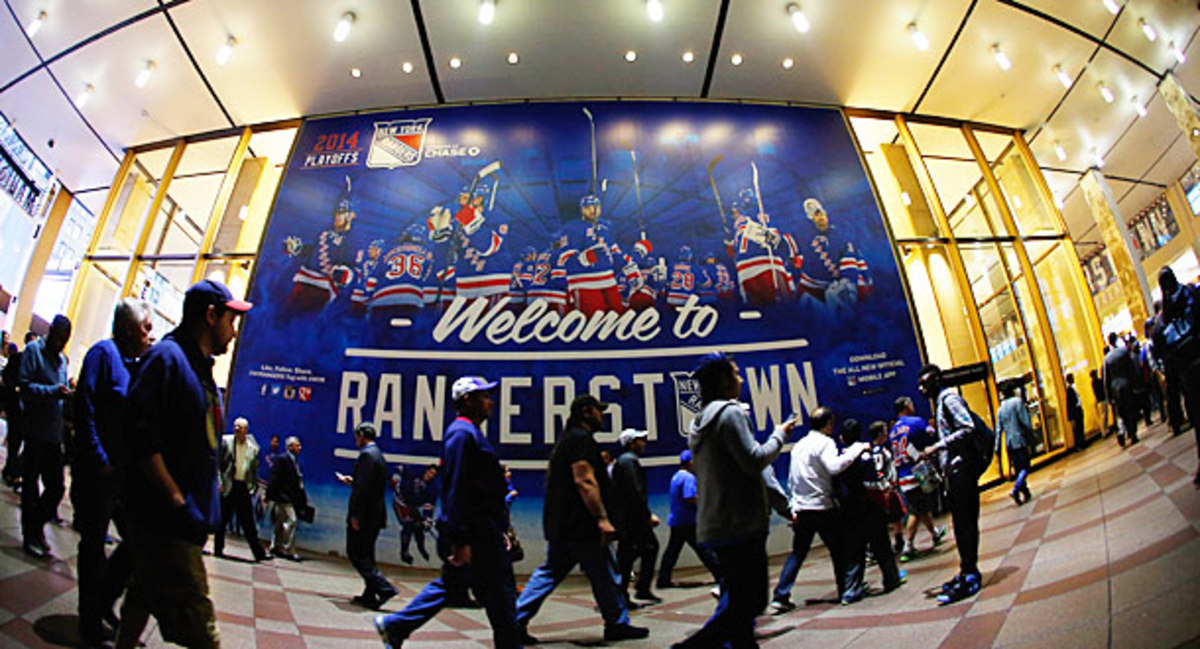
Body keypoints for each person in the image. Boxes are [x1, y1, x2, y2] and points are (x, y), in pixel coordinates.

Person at [117, 279, 251, 649]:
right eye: (230, 320)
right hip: (168, 524)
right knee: (202, 633)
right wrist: (175, 497)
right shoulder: (167, 359)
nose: (234, 332)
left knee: (141, 595)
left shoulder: (200, 368)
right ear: (211, 316)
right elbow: (139, 436)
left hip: (183, 520)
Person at [374, 376, 520, 648]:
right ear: (468, 400)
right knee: (502, 602)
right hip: (478, 536)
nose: (491, 401)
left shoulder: (467, 434)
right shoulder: (462, 435)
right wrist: (461, 540)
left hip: (483, 532)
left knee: (457, 588)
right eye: (484, 396)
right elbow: (456, 487)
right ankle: (395, 626)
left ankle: (395, 626)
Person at [671, 353, 797, 649]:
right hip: (740, 523)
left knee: (738, 605)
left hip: (715, 525)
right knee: (751, 602)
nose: (741, 379)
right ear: (724, 381)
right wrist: (779, 435)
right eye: (736, 374)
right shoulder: (730, 414)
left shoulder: (700, 420)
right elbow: (755, 461)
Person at [516, 394, 648, 645]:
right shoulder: (581, 439)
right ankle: (617, 624)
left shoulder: (566, 440)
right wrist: (601, 518)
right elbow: (584, 480)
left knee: (552, 573)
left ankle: (515, 620)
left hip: (563, 524)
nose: (603, 415)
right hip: (583, 526)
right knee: (606, 575)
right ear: (587, 412)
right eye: (599, 410)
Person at [71, 299, 153, 646]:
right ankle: (89, 619)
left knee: (135, 542)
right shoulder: (103, 354)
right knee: (93, 546)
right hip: (97, 471)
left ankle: (105, 599)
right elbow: (84, 409)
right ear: (131, 328)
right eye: (147, 328)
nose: (151, 334)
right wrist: (99, 457)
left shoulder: (135, 363)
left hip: (122, 474)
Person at [770, 406, 867, 612]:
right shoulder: (825, 443)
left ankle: (781, 595)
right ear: (828, 424)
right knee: (838, 550)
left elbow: (792, 479)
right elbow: (834, 467)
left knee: (798, 553)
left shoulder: (799, 446)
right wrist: (857, 449)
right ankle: (846, 590)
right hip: (822, 506)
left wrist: (794, 506)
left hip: (803, 508)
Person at [917, 364, 987, 605]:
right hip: (954, 472)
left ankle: (970, 574)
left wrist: (937, 446)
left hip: (962, 469)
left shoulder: (949, 399)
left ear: (937, 381)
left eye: (925, 383)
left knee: (965, 523)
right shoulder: (940, 403)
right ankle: (967, 569)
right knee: (960, 523)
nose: (921, 388)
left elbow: (968, 427)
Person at [18, 315, 72, 559]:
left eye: (65, 340)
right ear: (51, 331)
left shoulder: (62, 361)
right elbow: (25, 386)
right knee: (30, 486)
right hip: (34, 430)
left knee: (57, 487)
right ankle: (30, 535)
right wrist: (52, 392)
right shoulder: (33, 351)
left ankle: (36, 526)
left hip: (53, 434)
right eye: (59, 337)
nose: (61, 343)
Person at [838, 420, 906, 605]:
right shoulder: (866, 456)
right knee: (882, 546)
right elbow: (873, 485)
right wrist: (882, 505)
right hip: (870, 508)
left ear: (843, 438)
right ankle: (891, 579)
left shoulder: (839, 458)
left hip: (849, 509)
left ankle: (851, 590)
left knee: (854, 551)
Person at [340, 422, 398, 609]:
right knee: (367, 555)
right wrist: (354, 482)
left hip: (365, 516)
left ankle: (384, 588)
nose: (355, 439)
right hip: (375, 515)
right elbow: (368, 485)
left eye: (357, 436)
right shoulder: (378, 455)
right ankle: (369, 594)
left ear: (363, 436)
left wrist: (356, 515)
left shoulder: (366, 455)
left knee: (356, 553)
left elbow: (363, 490)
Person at [1152, 267, 1200, 486]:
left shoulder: (1163, 320)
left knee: (1198, 416)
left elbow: (1162, 351)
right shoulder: (1192, 293)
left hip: (1188, 374)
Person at [889, 397, 945, 562]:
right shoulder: (916, 422)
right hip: (917, 473)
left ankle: (934, 533)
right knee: (915, 511)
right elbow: (932, 435)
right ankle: (908, 546)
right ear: (907, 406)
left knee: (921, 506)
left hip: (903, 475)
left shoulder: (893, 432)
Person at [611, 428, 661, 607]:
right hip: (633, 520)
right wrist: (647, 515)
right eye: (640, 440)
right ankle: (633, 590)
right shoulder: (629, 462)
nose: (644, 443)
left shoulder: (624, 461)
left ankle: (628, 590)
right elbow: (635, 491)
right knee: (644, 549)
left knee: (633, 552)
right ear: (631, 443)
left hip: (628, 519)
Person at [657, 449, 720, 589]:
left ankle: (663, 579)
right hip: (688, 521)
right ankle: (720, 575)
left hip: (677, 520)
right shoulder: (689, 478)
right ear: (691, 462)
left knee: (672, 551)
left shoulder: (676, 476)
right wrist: (704, 501)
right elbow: (689, 496)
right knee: (704, 550)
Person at [214, 417, 270, 561]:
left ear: (246, 430)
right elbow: (218, 463)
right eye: (235, 426)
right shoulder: (226, 441)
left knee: (248, 522)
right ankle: (218, 549)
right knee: (223, 519)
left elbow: (253, 469)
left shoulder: (253, 448)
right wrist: (219, 481)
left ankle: (258, 553)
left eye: (240, 427)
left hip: (243, 486)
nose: (237, 429)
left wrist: (252, 487)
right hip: (229, 484)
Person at [995, 384, 1035, 506]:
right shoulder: (1017, 402)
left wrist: (997, 447)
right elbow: (1025, 421)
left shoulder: (1000, 409)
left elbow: (998, 429)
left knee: (1018, 468)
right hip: (1020, 439)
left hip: (1009, 443)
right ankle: (1016, 489)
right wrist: (1030, 433)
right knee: (1025, 466)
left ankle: (1025, 492)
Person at [267, 436, 305, 560]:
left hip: (288, 496)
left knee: (278, 522)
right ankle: (287, 548)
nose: (300, 448)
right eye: (297, 445)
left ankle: (275, 546)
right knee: (292, 520)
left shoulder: (294, 461)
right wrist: (270, 495)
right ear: (290, 447)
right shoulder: (282, 459)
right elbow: (275, 478)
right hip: (283, 496)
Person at [395, 463, 439, 564]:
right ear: (426, 470)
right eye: (430, 472)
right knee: (408, 525)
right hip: (401, 503)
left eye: (434, 474)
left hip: (414, 506)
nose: (431, 475)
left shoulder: (433, 488)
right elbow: (399, 469)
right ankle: (404, 552)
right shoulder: (414, 471)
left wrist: (427, 519)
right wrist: (396, 477)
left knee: (419, 526)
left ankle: (421, 548)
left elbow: (429, 505)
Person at [1104, 332, 1141, 447]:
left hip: (1115, 388)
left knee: (1122, 412)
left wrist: (1109, 396)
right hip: (1126, 384)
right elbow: (1131, 369)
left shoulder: (1107, 358)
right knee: (1131, 409)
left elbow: (1107, 379)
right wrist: (1136, 384)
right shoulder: (1123, 352)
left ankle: (1122, 431)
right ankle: (1133, 434)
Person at [2, 336, 30, 489]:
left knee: (17, 440)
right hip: (14, 406)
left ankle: (10, 469)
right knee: (14, 440)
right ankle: (11, 470)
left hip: (24, 409)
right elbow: (7, 377)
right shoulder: (18, 359)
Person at [1065, 373, 1086, 450]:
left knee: (1080, 427)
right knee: (1077, 429)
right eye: (1072, 378)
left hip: (1078, 410)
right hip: (1075, 412)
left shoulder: (1073, 388)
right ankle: (1079, 444)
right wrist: (1070, 417)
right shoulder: (1069, 390)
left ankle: (1082, 442)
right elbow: (1069, 404)